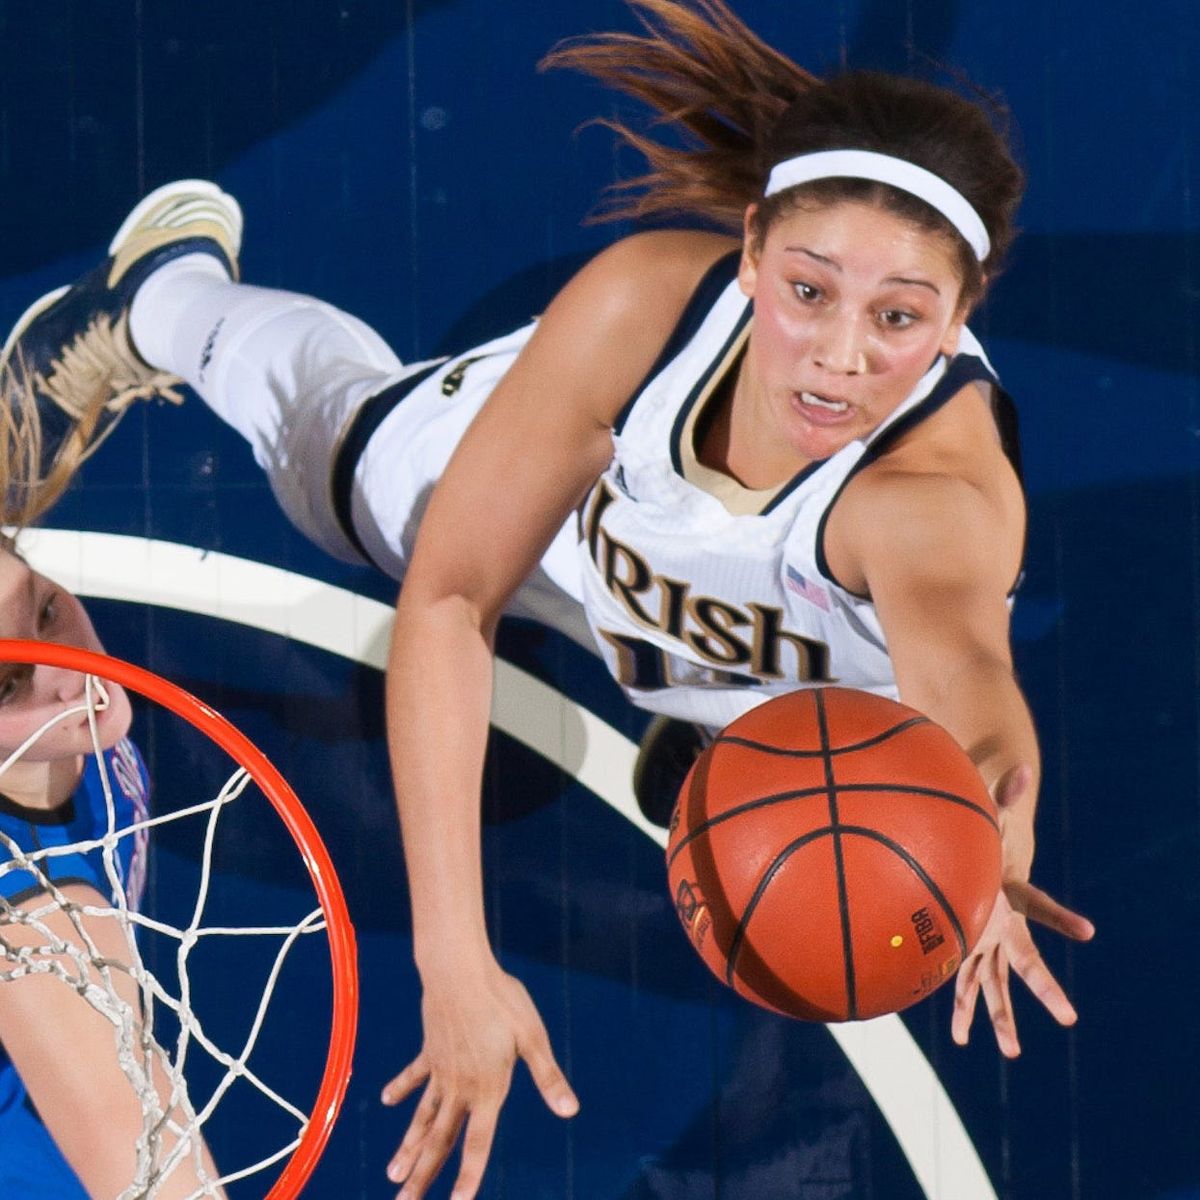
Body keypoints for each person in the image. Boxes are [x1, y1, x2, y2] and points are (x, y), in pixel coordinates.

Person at [0, 2, 1096, 1196]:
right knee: (336, 464)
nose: (839, 357)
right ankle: (161, 300)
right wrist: (455, 959)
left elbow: (969, 694)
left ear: (958, 320)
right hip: (580, 533)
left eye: (898, 318)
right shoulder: (646, 308)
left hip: (798, 656)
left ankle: (725, 719)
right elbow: (451, 601)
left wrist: (987, 822)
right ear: (747, 258)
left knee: (866, 745)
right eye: (808, 292)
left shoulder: (932, 502)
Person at [0, 541, 225, 1198]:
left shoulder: (72, 738)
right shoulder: (33, 919)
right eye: (7, 682)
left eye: (45, 611)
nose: (68, 674)